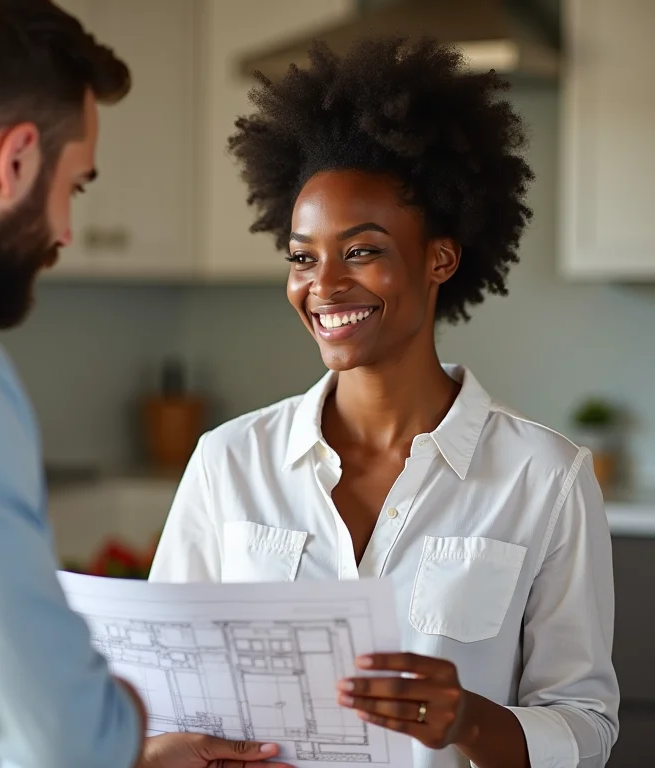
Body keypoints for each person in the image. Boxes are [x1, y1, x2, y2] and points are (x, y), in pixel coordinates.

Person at [150, 37, 620, 768]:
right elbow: (166, 697)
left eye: (362, 251)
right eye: (303, 256)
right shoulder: (227, 461)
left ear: (440, 257)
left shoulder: (547, 479)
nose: (324, 285)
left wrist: (469, 720)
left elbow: (587, 727)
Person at [0, 2, 292, 767]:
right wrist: (122, 718)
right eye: (74, 186)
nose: (67, 232)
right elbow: (59, 743)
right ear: (14, 161)